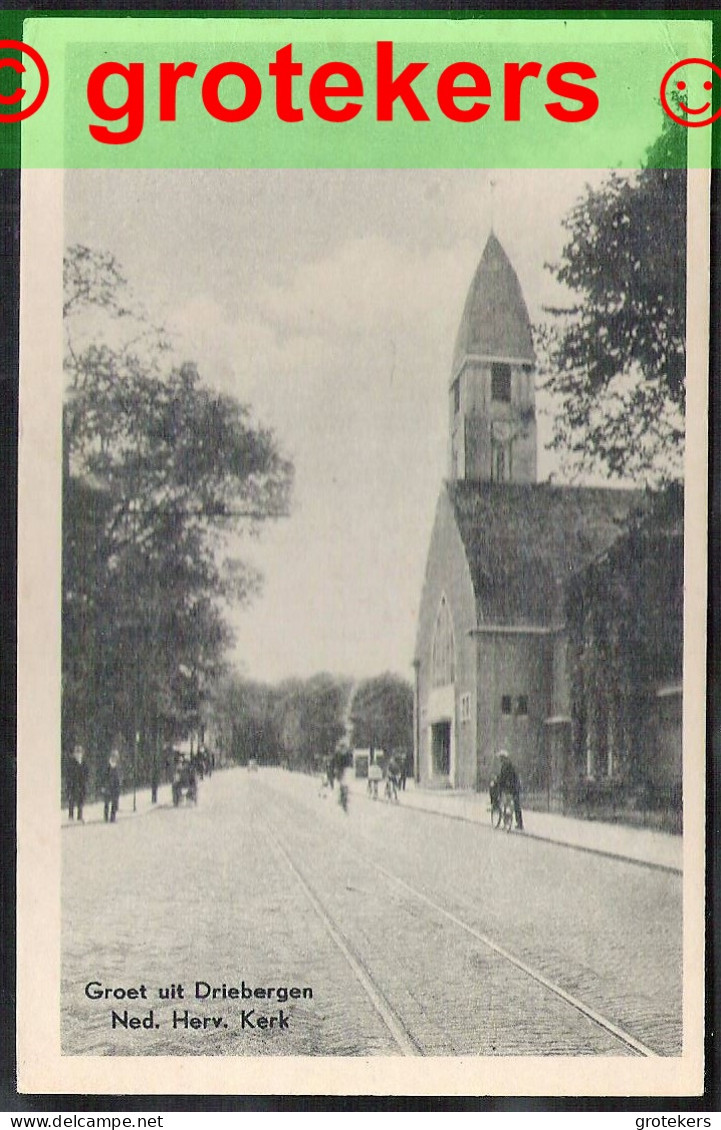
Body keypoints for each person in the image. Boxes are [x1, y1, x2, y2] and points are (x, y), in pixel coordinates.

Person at [491, 750, 524, 830]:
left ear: (503, 758)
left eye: (501, 758)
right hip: (515, 787)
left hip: (511, 787)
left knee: (506, 800)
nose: (500, 760)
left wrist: (496, 780)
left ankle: (507, 818)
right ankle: (519, 823)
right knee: (516, 805)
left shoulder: (505, 766)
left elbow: (503, 777)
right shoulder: (510, 765)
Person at [66, 743, 88, 822]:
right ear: (74, 753)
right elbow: (69, 773)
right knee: (72, 799)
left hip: (81, 784)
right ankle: (71, 815)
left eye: (80, 752)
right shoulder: (72, 763)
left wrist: (85, 780)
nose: (78, 754)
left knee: (80, 800)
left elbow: (86, 772)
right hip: (73, 784)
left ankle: (80, 816)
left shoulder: (84, 763)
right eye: (77, 752)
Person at [102, 748, 121, 823]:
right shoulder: (107, 766)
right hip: (108, 786)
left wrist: (119, 783)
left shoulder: (118, 766)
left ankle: (113, 817)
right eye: (113, 757)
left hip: (115, 787)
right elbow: (103, 776)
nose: (114, 759)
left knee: (114, 802)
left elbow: (119, 776)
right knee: (107, 802)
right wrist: (103, 786)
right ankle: (106, 817)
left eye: (116, 757)